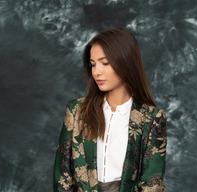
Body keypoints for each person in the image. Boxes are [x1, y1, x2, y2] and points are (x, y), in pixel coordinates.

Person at [53, 28, 167, 192]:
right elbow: (62, 176)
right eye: (93, 64)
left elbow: (152, 184)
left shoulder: (151, 118)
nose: (96, 72)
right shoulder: (76, 110)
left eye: (105, 63)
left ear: (126, 62)